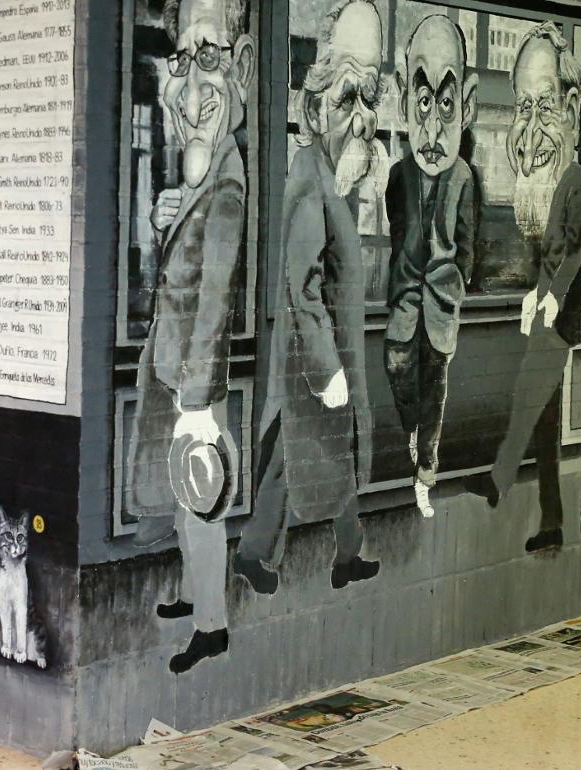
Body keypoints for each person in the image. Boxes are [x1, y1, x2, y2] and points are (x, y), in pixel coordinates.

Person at [234, 0, 383, 596]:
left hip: (326, 355)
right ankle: (257, 552)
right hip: (312, 360)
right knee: (293, 455)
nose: (359, 118)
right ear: (315, 106)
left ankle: (345, 552)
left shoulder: (332, 176)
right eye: (345, 101)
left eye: (367, 100)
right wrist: (327, 369)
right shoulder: (308, 174)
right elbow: (302, 283)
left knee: (321, 452)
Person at [124, 0, 255, 675]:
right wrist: (160, 219)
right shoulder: (200, 179)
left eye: (212, 60)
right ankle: (188, 593)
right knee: (185, 494)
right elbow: (178, 270)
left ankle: (212, 625)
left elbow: (215, 300)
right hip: (176, 366)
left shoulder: (227, 189)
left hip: (197, 378)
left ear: (242, 73)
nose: (193, 87)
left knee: (202, 501)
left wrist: (200, 399)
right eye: (181, 61)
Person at [465, 22, 581, 554]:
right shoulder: (552, 184)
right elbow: (548, 255)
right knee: (545, 427)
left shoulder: (577, 181)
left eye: (547, 106)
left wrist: (553, 297)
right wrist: (533, 295)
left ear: (573, 107)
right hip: (548, 309)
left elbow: (577, 252)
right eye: (524, 106)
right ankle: (553, 522)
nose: (533, 128)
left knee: (524, 398)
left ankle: (497, 481)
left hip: (561, 321)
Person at [384, 14, 478, 519]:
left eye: (446, 103)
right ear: (405, 101)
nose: (433, 125)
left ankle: (426, 471)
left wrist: (455, 280)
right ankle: (413, 432)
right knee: (398, 368)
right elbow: (397, 227)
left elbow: (468, 244)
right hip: (404, 300)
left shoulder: (464, 176)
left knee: (435, 387)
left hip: (442, 305)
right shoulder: (399, 175)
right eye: (424, 102)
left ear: (465, 107)